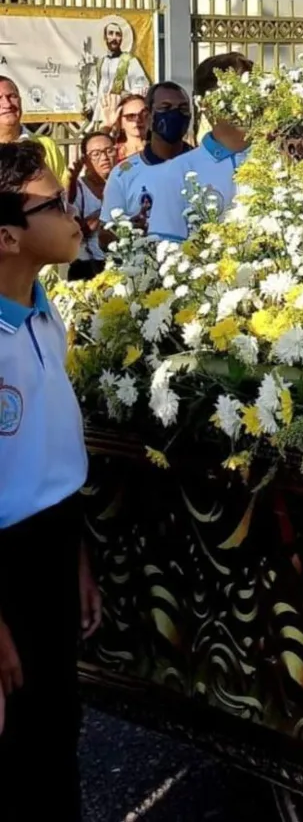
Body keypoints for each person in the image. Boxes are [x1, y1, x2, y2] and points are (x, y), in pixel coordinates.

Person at [0, 141, 101, 819]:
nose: (75, 216)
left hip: (54, 542)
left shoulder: (42, 311)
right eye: (55, 204)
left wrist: (80, 559)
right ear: (7, 234)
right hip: (6, 562)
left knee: (57, 727)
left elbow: (49, 455)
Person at [147, 54, 252, 241]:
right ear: (205, 104)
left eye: (252, 91)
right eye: (236, 93)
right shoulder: (180, 170)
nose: (248, 103)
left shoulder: (280, 161)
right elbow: (165, 246)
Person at [99, 81, 192, 244]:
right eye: (165, 108)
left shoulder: (202, 165)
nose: (175, 114)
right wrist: (128, 231)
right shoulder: (123, 174)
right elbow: (104, 237)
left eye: (183, 109)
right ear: (148, 117)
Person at [0, 75, 67, 184]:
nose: (7, 104)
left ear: (20, 101)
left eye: (12, 96)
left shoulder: (46, 145)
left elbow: (65, 192)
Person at [67, 131, 116, 280]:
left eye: (109, 150)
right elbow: (74, 232)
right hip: (87, 267)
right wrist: (103, 214)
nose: (105, 157)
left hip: (122, 262)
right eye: (96, 154)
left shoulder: (124, 183)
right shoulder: (78, 188)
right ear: (85, 160)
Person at [87, 20, 149, 129]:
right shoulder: (101, 63)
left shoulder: (129, 61)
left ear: (122, 38)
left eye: (118, 34)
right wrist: (90, 106)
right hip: (100, 116)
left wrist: (127, 95)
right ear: (105, 37)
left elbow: (143, 86)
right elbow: (94, 88)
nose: (114, 38)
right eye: (110, 33)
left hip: (120, 115)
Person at [110, 93, 149, 163]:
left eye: (143, 115)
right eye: (131, 116)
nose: (138, 120)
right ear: (120, 122)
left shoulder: (162, 148)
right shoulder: (112, 152)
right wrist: (107, 126)